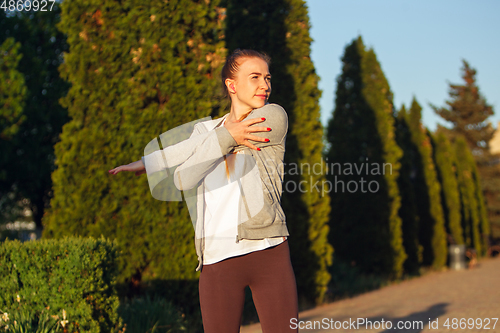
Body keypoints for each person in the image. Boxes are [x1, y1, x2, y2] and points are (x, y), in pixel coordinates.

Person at [109, 49, 298, 332]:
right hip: (217, 259)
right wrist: (148, 162)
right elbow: (183, 179)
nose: (265, 85)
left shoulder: (274, 116)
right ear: (232, 85)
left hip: (268, 249)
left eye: (268, 78)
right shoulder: (204, 132)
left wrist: (213, 144)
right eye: (255, 77)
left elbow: (191, 156)